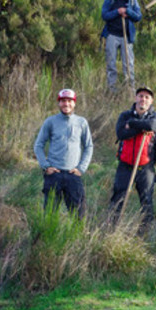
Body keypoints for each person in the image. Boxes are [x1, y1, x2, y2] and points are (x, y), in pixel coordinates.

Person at [33, 89, 93, 217]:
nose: (66, 104)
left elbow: (88, 146)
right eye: (63, 101)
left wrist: (81, 168)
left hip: (73, 175)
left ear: (74, 103)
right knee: (49, 214)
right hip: (54, 174)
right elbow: (38, 145)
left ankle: (76, 236)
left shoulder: (81, 122)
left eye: (69, 101)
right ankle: (48, 236)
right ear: (59, 103)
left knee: (78, 215)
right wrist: (46, 166)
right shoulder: (50, 121)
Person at [110, 87, 156, 226]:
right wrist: (141, 128)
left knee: (146, 200)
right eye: (140, 96)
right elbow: (121, 134)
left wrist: (132, 124)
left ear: (151, 101)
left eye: (146, 97)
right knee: (118, 197)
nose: (143, 99)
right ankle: (112, 228)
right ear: (135, 98)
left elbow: (152, 125)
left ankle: (145, 232)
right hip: (125, 165)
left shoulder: (154, 117)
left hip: (146, 167)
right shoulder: (125, 115)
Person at [101, 0, 142, 92]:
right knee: (111, 63)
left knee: (128, 64)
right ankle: (111, 88)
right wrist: (118, 12)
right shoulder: (110, 0)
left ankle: (130, 88)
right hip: (112, 35)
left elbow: (138, 17)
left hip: (126, 37)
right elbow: (104, 15)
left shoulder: (133, 1)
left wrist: (127, 11)